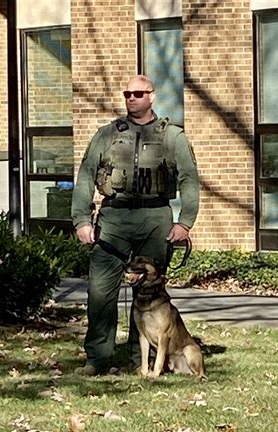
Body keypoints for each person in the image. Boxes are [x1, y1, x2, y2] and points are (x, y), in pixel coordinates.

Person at [71, 75, 200, 375]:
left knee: (148, 292)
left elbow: (189, 179)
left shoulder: (173, 137)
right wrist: (80, 219)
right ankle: (98, 357)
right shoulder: (106, 135)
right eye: (128, 93)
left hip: (155, 219)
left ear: (152, 97)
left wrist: (185, 222)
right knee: (101, 291)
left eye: (139, 93)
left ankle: (138, 358)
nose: (132, 98)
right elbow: (87, 175)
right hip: (113, 219)